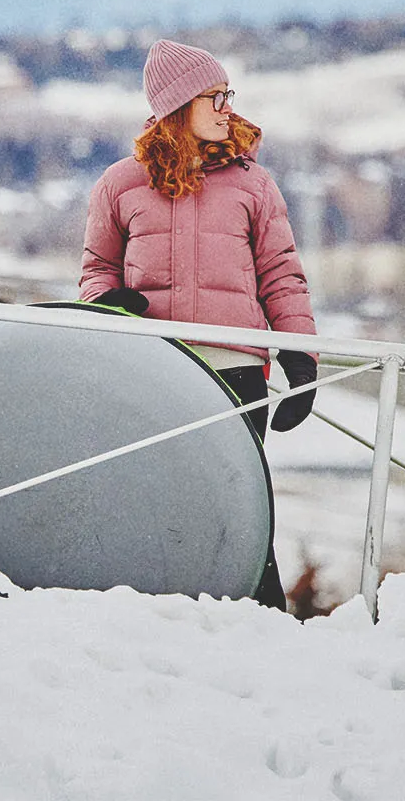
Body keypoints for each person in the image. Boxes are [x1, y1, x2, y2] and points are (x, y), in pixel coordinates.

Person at [80, 39, 318, 610]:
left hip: (238, 374)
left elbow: (282, 276)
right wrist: (109, 300)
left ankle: (264, 618)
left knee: (239, 502)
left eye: (227, 95)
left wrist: (301, 358)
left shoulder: (253, 185)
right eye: (215, 96)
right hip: (152, 371)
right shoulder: (120, 184)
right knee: (152, 496)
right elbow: (94, 270)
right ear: (180, 103)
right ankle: (154, 613)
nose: (227, 108)